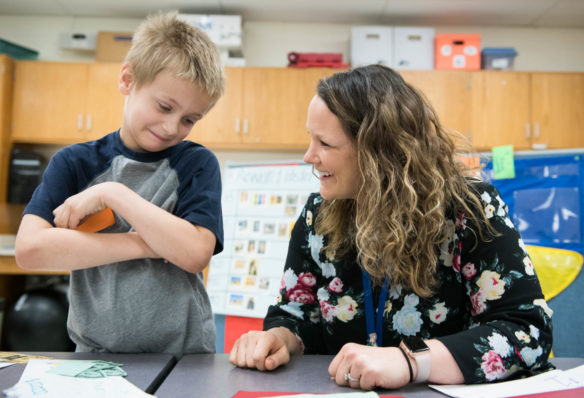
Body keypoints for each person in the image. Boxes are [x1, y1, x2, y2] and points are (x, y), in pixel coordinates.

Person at [229, 65, 554, 389]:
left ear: (377, 152)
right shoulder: (317, 216)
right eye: (310, 139)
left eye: (325, 144)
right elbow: (297, 313)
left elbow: (528, 331)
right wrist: (277, 339)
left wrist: (410, 361)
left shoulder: (468, 209)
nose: (308, 156)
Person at [15, 12, 225, 358]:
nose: (173, 127)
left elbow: (194, 253)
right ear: (128, 79)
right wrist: (149, 245)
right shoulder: (74, 163)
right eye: (164, 106)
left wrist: (113, 193)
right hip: (96, 353)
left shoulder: (196, 164)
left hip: (184, 356)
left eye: (190, 119)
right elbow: (30, 250)